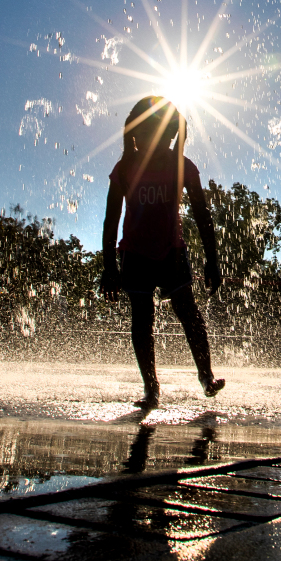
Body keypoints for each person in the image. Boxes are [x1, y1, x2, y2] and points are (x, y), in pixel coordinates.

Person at [99, 95, 224, 409]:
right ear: (135, 136)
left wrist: (213, 260)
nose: (156, 142)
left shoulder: (182, 166)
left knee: (188, 313)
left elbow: (202, 215)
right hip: (135, 255)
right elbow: (110, 220)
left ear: (173, 136)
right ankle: (151, 388)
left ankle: (206, 376)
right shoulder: (125, 168)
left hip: (171, 251)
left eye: (166, 134)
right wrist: (109, 268)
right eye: (147, 134)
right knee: (142, 318)